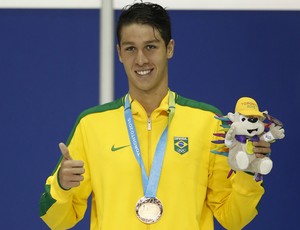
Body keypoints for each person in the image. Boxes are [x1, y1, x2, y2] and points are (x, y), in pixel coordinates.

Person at [39, 2, 271, 229]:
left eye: (150, 46)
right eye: (130, 48)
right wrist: (61, 185)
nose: (141, 60)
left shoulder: (208, 122)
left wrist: (248, 172)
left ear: (169, 48)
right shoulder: (91, 125)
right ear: (119, 53)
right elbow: (57, 220)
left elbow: (233, 218)